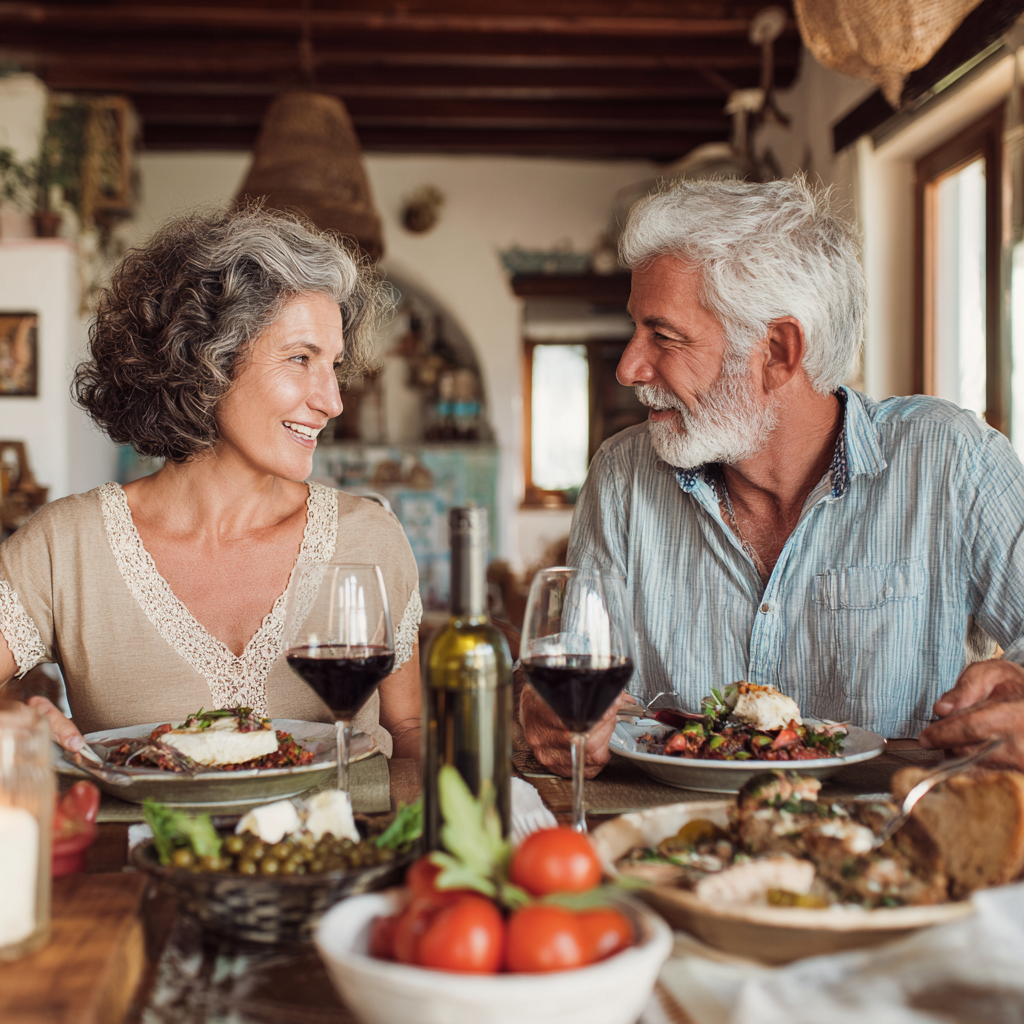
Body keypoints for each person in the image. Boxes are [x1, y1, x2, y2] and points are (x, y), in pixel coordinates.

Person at [520, 176, 1024, 777]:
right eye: (636, 329)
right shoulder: (623, 476)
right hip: (671, 846)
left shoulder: (952, 460)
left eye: (664, 335)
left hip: (889, 841)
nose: (629, 366)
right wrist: (552, 713)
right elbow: (578, 677)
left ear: (780, 350)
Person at [0, 206, 422, 758]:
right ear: (206, 359)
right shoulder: (66, 546)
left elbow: (410, 733)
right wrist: (13, 716)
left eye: (334, 366)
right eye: (300, 359)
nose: (332, 401)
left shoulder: (370, 538)